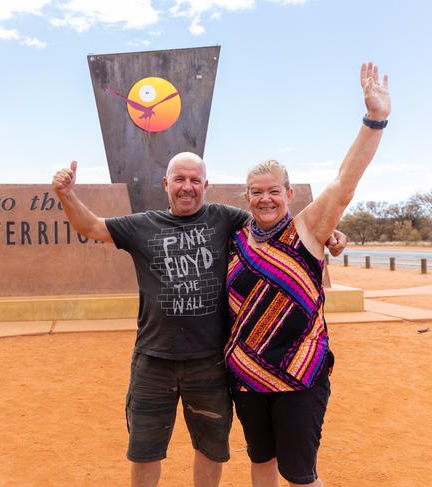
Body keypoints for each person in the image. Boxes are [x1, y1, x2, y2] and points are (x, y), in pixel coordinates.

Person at [52, 152, 345, 486]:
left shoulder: (228, 218)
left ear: (205, 185)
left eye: (194, 180)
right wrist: (66, 195)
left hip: (210, 363)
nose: (187, 187)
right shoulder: (142, 225)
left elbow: (275, 223)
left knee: (209, 449)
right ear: (166, 184)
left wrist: (331, 234)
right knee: (145, 450)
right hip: (153, 359)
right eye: (179, 179)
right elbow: (91, 226)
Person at [224, 62, 390, 487]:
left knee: (299, 475)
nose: (265, 198)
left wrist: (375, 120)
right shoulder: (235, 241)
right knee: (260, 463)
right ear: (246, 196)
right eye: (256, 192)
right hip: (247, 376)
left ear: (289, 193)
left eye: (274, 190)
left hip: (300, 375)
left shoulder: (308, 230)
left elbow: (343, 185)